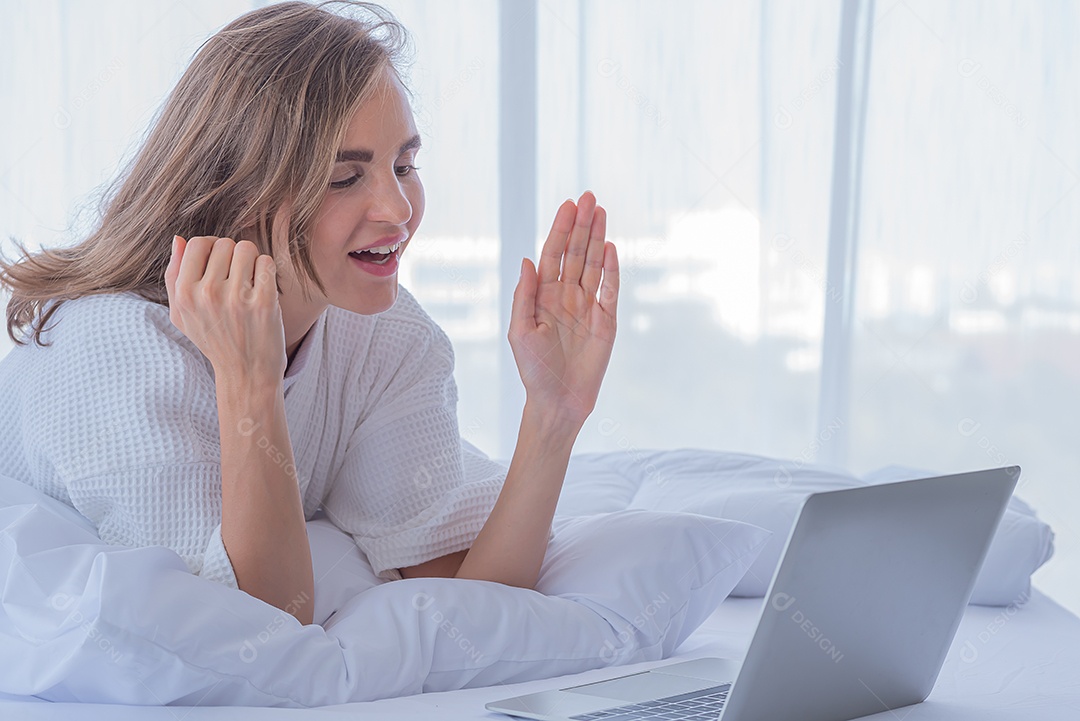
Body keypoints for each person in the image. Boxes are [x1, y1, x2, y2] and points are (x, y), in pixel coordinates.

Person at [0, 1, 617, 627]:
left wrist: (553, 417)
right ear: (241, 193)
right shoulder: (113, 349)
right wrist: (250, 381)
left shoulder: (382, 334)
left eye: (404, 165)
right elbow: (254, 630)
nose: (399, 209)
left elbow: (468, 597)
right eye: (345, 178)